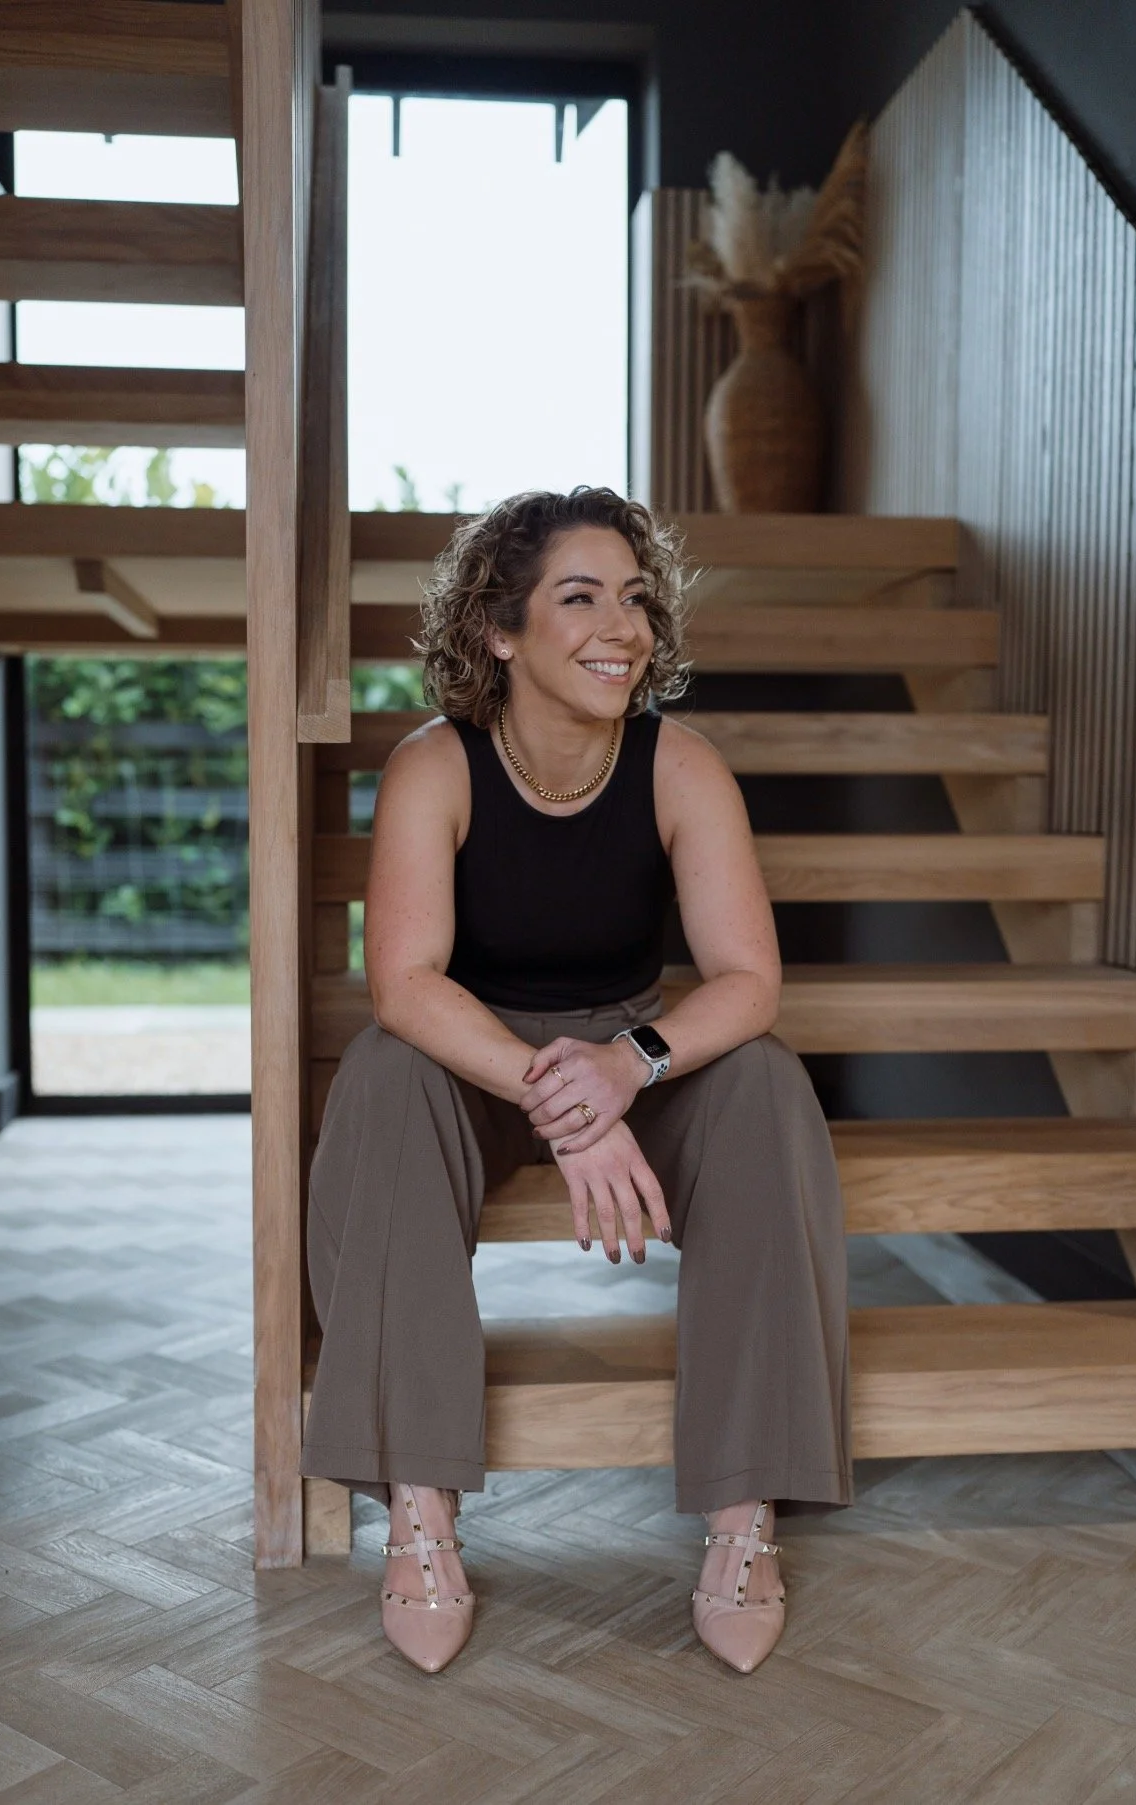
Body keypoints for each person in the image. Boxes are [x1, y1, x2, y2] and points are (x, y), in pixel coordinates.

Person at [302, 486, 851, 1674]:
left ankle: (745, 1512)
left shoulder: (680, 765)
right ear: (501, 629)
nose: (625, 625)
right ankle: (420, 1509)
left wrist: (627, 1066)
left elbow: (748, 979)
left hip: (630, 1044)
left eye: (638, 597)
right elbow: (405, 983)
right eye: (583, 596)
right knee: (384, 1080)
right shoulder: (433, 767)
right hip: (471, 1050)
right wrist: (560, 1097)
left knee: (764, 1083)